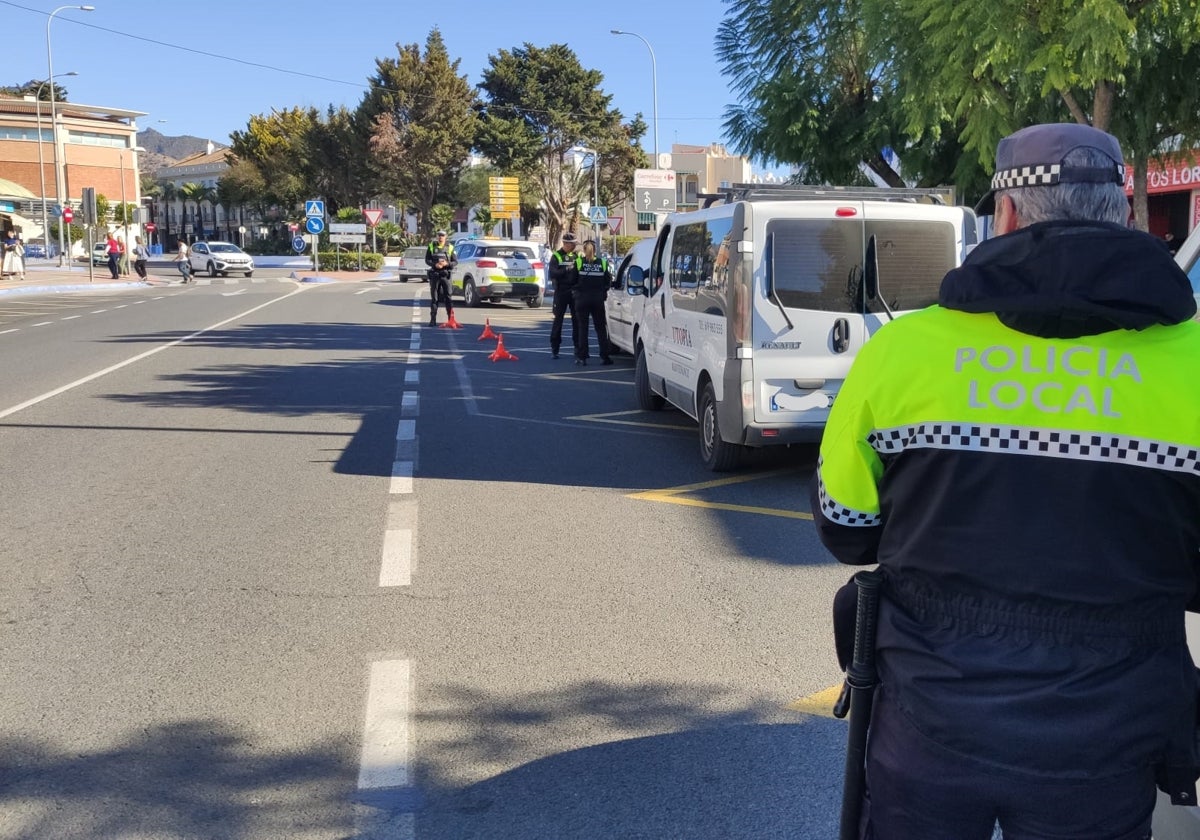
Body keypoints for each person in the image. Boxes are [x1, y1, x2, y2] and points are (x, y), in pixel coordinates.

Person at [813, 122, 1200, 840]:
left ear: (1010, 214)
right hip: (1110, 734)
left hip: (931, 721)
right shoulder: (1194, 361)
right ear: (1120, 211)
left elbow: (846, 528)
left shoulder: (902, 353)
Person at [571, 239, 613, 366]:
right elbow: (608, 281)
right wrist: (602, 291)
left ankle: (582, 357)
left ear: (584, 250)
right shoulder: (603, 263)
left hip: (582, 299)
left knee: (582, 328)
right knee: (600, 328)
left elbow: (572, 280)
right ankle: (604, 357)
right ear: (595, 250)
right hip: (597, 299)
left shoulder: (578, 262)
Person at [548, 232, 580, 359]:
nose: (573, 247)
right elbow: (553, 273)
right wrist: (567, 269)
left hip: (574, 291)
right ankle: (555, 348)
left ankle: (577, 348)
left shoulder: (576, 256)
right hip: (561, 291)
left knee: (576, 321)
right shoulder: (556, 256)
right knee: (558, 320)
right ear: (565, 243)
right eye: (572, 244)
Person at [424, 229, 456, 326]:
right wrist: (435, 265)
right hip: (435, 275)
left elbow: (455, 262)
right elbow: (427, 260)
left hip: (446, 275)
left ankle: (450, 320)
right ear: (437, 237)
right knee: (435, 298)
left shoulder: (450, 247)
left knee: (448, 298)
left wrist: (447, 264)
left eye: (442, 236)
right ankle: (433, 320)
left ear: (445, 237)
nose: (440, 237)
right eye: (439, 235)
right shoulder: (431, 246)